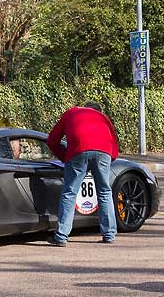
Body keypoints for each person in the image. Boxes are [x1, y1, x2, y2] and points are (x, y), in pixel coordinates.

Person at [45, 101, 120, 246]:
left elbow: (52, 140)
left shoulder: (72, 112)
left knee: (70, 192)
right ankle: (109, 234)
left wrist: (65, 158)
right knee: (104, 192)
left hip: (79, 150)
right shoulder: (104, 118)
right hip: (104, 152)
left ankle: (61, 236)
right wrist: (106, 160)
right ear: (97, 110)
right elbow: (114, 148)